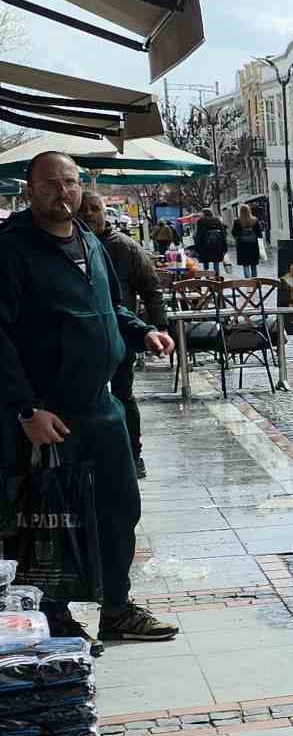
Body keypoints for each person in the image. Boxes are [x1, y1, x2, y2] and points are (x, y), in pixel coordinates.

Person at [0, 151, 180, 651]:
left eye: (72, 182)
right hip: (49, 414)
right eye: (52, 183)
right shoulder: (12, 250)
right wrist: (26, 408)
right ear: (30, 188)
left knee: (120, 508)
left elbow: (111, 305)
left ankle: (117, 609)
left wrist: (143, 332)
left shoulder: (90, 242)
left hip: (103, 407)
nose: (64, 192)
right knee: (50, 519)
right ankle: (52, 616)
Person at [82, 193, 167, 480]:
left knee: (123, 395)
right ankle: (94, 456)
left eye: (95, 208)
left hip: (120, 334)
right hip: (84, 340)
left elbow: (151, 290)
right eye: (84, 209)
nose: (89, 214)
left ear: (105, 212)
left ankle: (133, 454)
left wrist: (160, 328)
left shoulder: (125, 247)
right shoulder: (71, 245)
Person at [231, 204, 264, 278]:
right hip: (253, 245)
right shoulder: (255, 220)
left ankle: (248, 282)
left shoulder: (237, 221)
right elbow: (259, 234)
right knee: (253, 265)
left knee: (245, 265)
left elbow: (234, 232)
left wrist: (238, 238)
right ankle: (254, 281)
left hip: (242, 246)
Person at [194, 208, 228, 274]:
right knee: (216, 264)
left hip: (204, 246)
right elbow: (223, 234)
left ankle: (208, 279)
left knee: (206, 264)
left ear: (204, 213)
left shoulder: (201, 221)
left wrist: (197, 248)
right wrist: (224, 248)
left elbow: (199, 235)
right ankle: (216, 278)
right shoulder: (217, 220)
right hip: (217, 245)